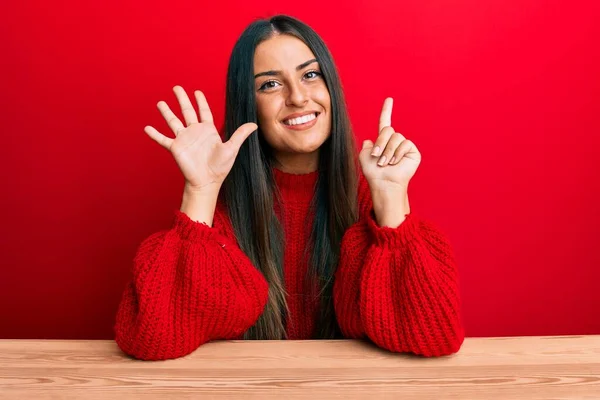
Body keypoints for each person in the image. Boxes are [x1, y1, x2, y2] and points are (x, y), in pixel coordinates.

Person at [114, 15, 465, 361]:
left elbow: (436, 336)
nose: (298, 97)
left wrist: (391, 199)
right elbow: (152, 337)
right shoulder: (219, 205)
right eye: (270, 84)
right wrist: (200, 191)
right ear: (247, 105)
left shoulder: (365, 195)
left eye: (310, 75)